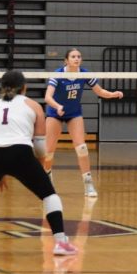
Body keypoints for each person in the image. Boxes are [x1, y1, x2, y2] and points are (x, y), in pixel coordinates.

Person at [0, 69, 77, 256]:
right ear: (25, 87)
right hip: (20, 152)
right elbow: (40, 146)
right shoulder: (33, 105)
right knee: (49, 195)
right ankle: (60, 242)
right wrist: (41, 167)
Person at [43, 48, 124, 198]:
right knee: (48, 150)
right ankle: (47, 177)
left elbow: (99, 91)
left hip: (74, 113)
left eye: (79, 56)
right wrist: (57, 106)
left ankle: (88, 184)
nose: (76, 59)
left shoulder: (84, 73)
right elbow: (47, 97)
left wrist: (112, 94)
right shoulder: (58, 74)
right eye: (73, 56)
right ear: (66, 60)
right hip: (55, 113)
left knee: (81, 147)